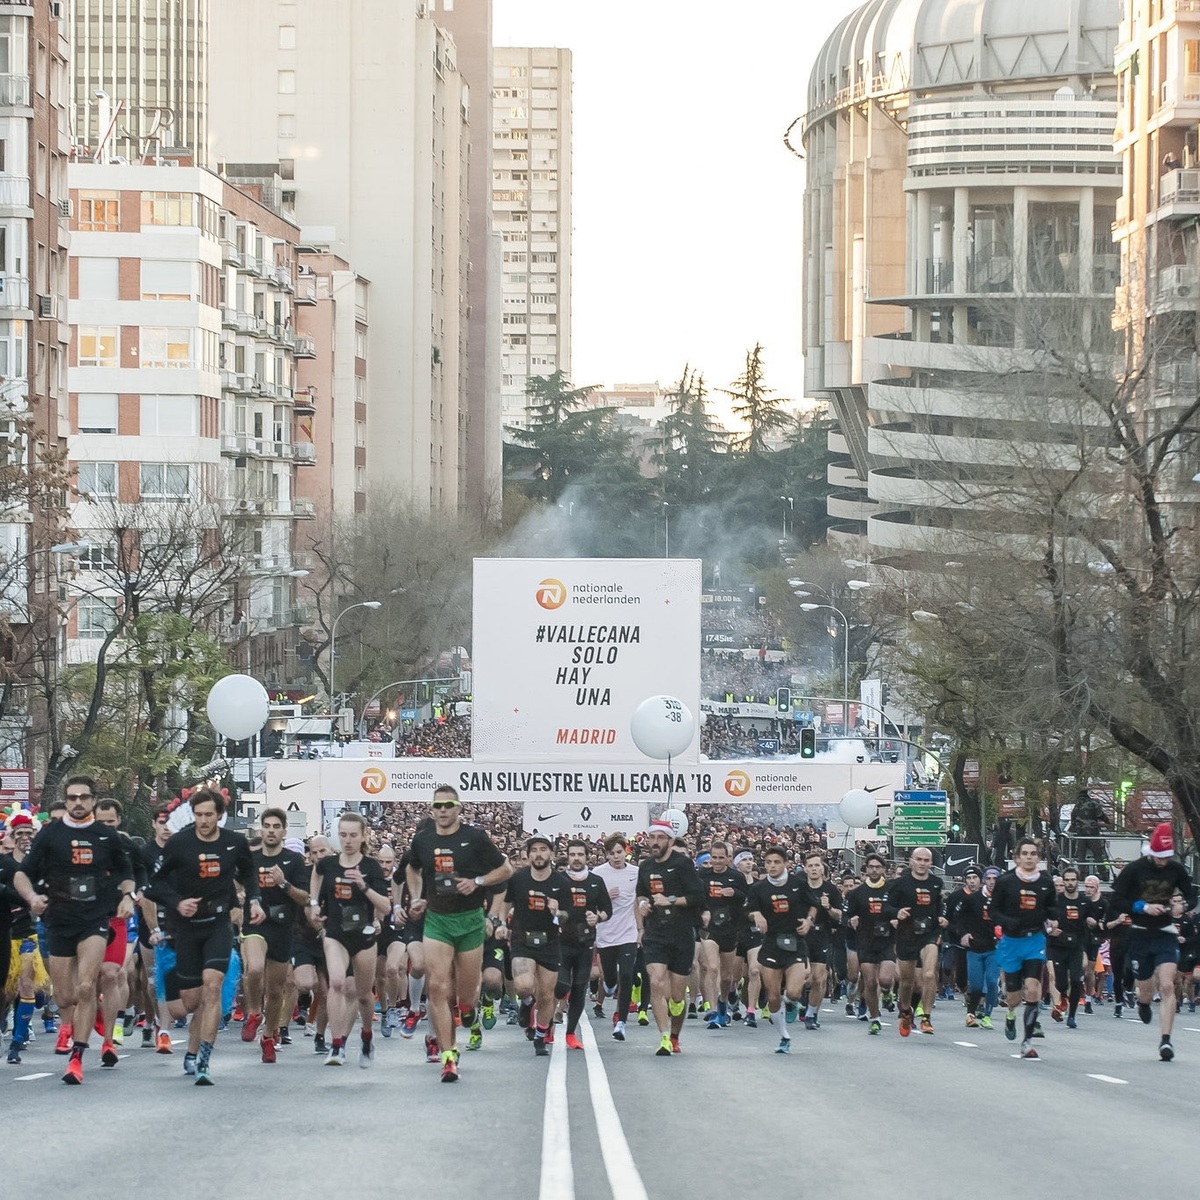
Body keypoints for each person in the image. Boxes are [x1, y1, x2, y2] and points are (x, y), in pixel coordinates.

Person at [13, 776, 136, 1084]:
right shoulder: (50, 835)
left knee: (85, 986)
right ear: (66, 801)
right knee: (66, 996)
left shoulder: (106, 836)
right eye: (72, 797)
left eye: (83, 797)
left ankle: (77, 1057)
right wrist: (32, 897)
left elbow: (126, 872)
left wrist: (126, 895)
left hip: (95, 918)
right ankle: (89, 1013)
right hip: (59, 919)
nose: (78, 802)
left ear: (93, 799)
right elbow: (22, 875)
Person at [148, 787, 262, 1085]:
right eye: (198, 815)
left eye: (209, 815)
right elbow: (154, 885)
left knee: (212, 989)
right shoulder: (179, 844)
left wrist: (254, 901)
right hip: (186, 928)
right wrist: (177, 902)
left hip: (218, 925)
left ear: (220, 815)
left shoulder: (234, 843)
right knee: (188, 1003)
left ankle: (203, 1060)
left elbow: (249, 876)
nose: (203, 820)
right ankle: (191, 1043)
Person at [405, 785, 513, 1082]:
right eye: (437, 806)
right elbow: (412, 869)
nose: (442, 810)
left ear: (458, 808)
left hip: (469, 921)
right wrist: (416, 897)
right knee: (438, 987)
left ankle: (469, 1010)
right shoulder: (423, 840)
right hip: (437, 921)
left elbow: (506, 870)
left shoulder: (474, 838)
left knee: (465, 996)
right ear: (432, 809)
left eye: (448, 805)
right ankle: (448, 1055)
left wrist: (477, 881)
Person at [1109, 822, 1196, 1061]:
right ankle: (1143, 1003)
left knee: (1167, 985)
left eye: (1166, 857)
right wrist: (1143, 906)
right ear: (1151, 852)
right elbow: (1116, 898)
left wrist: (1180, 905)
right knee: (1145, 989)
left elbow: (1191, 894)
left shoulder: (1175, 869)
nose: (1162, 862)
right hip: (1139, 932)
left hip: (1165, 933)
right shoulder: (1135, 870)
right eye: (1158, 858)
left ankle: (1165, 1041)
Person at [309, 812, 390, 1067]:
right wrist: (313, 904)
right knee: (336, 983)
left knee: (364, 995)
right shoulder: (329, 864)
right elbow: (316, 873)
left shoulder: (371, 867)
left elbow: (386, 907)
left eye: (353, 835)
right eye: (343, 835)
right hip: (335, 933)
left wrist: (364, 886)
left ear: (364, 835)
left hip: (364, 936)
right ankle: (337, 1044)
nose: (347, 840)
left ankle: (366, 1036)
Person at [242, 807, 309, 1063]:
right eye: (267, 826)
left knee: (276, 989)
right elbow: (237, 883)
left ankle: (269, 1036)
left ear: (284, 831)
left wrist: (283, 883)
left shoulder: (293, 860)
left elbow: (305, 898)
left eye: (275, 827)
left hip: (282, 927)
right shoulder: (251, 858)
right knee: (255, 969)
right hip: (255, 924)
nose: (270, 831)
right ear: (261, 829)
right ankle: (253, 1013)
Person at [636, 818, 705, 1057]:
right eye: (652, 837)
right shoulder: (645, 867)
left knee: (677, 997)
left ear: (670, 840)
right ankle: (664, 1037)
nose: (655, 842)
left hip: (682, 933)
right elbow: (641, 896)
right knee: (655, 981)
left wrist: (672, 900)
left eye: (660, 838)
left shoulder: (683, 865)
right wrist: (644, 905)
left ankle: (675, 1035)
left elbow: (698, 897)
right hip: (656, 932)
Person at [494, 834, 565, 1057]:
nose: (538, 854)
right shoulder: (518, 878)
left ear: (551, 854)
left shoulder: (561, 883)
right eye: (534, 850)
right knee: (524, 985)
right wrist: (502, 924)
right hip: (521, 940)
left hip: (550, 943)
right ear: (528, 855)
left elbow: (569, 917)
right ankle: (526, 1003)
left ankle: (541, 1035)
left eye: (543, 849)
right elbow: (505, 903)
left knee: (546, 995)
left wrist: (558, 912)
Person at [991, 837, 1058, 1060]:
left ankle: (1027, 1042)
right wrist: (1006, 921)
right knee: (1014, 996)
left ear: (1039, 858)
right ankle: (1010, 1014)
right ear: (1017, 857)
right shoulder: (1006, 881)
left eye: (1033, 854)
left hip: (1034, 941)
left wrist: (1053, 919)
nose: (1029, 857)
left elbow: (1052, 907)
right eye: (1025, 854)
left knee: (1032, 988)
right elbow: (994, 911)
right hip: (1011, 942)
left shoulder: (1045, 881)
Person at [746, 846, 812, 1054]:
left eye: (776, 862)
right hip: (771, 944)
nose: (772, 866)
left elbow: (814, 904)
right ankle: (784, 1036)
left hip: (794, 943)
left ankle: (791, 1002)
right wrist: (756, 914)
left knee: (793, 992)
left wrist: (809, 921)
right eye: (768, 862)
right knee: (773, 996)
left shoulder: (798, 885)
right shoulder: (759, 888)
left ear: (785, 863)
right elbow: (748, 909)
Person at [555, 839, 612, 1051]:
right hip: (561, 942)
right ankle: (546, 1020)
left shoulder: (596, 882)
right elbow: (549, 909)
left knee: (579, 988)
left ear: (587, 857)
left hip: (585, 943)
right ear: (567, 857)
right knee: (560, 986)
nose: (576, 858)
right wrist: (558, 916)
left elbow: (607, 910)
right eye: (573, 855)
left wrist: (597, 917)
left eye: (580, 854)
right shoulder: (558, 880)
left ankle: (570, 1034)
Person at [885, 847, 946, 1036]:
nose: (922, 863)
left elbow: (939, 906)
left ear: (931, 863)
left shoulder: (936, 883)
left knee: (929, 975)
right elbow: (886, 906)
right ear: (911, 861)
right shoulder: (900, 883)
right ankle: (905, 1010)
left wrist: (943, 917)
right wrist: (897, 913)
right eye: (918, 859)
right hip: (906, 934)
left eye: (926, 860)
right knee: (906, 982)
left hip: (929, 933)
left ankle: (926, 1017)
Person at [592, 834, 639, 1041]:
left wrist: (641, 929)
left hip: (628, 932)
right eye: (612, 853)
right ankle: (609, 986)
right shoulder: (598, 873)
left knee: (627, 974)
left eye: (619, 852)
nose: (616, 857)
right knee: (609, 977)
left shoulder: (636, 872)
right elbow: (590, 902)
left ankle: (621, 1022)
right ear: (606, 855)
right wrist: (604, 897)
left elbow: (639, 901)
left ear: (625, 851)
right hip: (606, 933)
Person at [697, 841, 748, 1030]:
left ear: (728, 858)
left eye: (721, 858)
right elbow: (695, 896)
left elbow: (748, 897)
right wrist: (703, 911)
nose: (717, 862)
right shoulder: (702, 875)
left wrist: (734, 892)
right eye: (714, 857)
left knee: (727, 977)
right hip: (710, 929)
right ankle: (712, 1010)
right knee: (711, 967)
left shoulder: (736, 877)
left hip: (730, 928)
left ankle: (723, 1002)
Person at [844, 853, 896, 1035]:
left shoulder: (892, 889)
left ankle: (888, 993)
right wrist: (851, 920)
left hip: (887, 940)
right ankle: (874, 1018)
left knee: (885, 979)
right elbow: (845, 916)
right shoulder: (856, 893)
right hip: (865, 942)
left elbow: (902, 909)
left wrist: (898, 918)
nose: (874, 870)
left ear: (883, 870)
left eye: (878, 867)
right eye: (871, 867)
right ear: (865, 870)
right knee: (870, 983)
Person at [796, 850, 842, 1030]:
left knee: (819, 978)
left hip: (822, 934)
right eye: (810, 866)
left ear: (822, 868)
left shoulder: (830, 889)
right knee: (804, 976)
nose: (814, 869)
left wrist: (828, 907)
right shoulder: (799, 887)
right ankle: (798, 1000)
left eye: (817, 865)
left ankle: (811, 1013)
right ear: (805, 869)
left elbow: (839, 915)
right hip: (801, 934)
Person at [958, 867, 1000, 1029]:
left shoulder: (1003, 900)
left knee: (991, 981)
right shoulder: (973, 899)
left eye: (995, 879)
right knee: (975, 985)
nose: (991, 882)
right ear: (983, 880)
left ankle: (987, 1016)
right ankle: (970, 1013)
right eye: (988, 879)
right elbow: (960, 919)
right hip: (975, 948)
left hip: (994, 948)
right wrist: (964, 934)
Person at [1048, 866, 1088, 1028]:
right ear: (1063, 882)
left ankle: (1071, 1016)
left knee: (1077, 979)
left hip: (1076, 946)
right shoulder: (1057, 902)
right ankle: (1063, 995)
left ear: (1078, 881)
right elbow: (1045, 921)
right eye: (1067, 880)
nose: (1070, 883)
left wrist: (1085, 950)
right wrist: (1051, 930)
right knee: (1061, 982)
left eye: (1073, 880)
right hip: (1058, 946)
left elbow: (1088, 926)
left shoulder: (1084, 902)